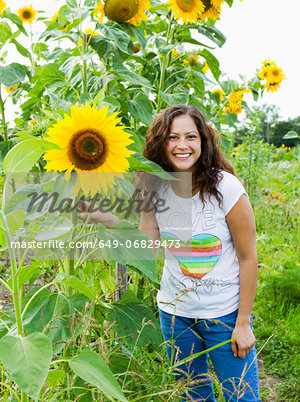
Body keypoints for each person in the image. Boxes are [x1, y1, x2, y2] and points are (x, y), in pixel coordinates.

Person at [80, 104, 260, 401]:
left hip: (225, 316)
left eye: (191, 136)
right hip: (176, 315)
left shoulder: (227, 188)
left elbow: (248, 257)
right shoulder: (156, 188)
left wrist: (243, 321)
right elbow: (147, 244)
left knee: (243, 397)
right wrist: (107, 219)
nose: (182, 145)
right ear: (161, 144)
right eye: (172, 137)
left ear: (203, 141)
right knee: (192, 396)